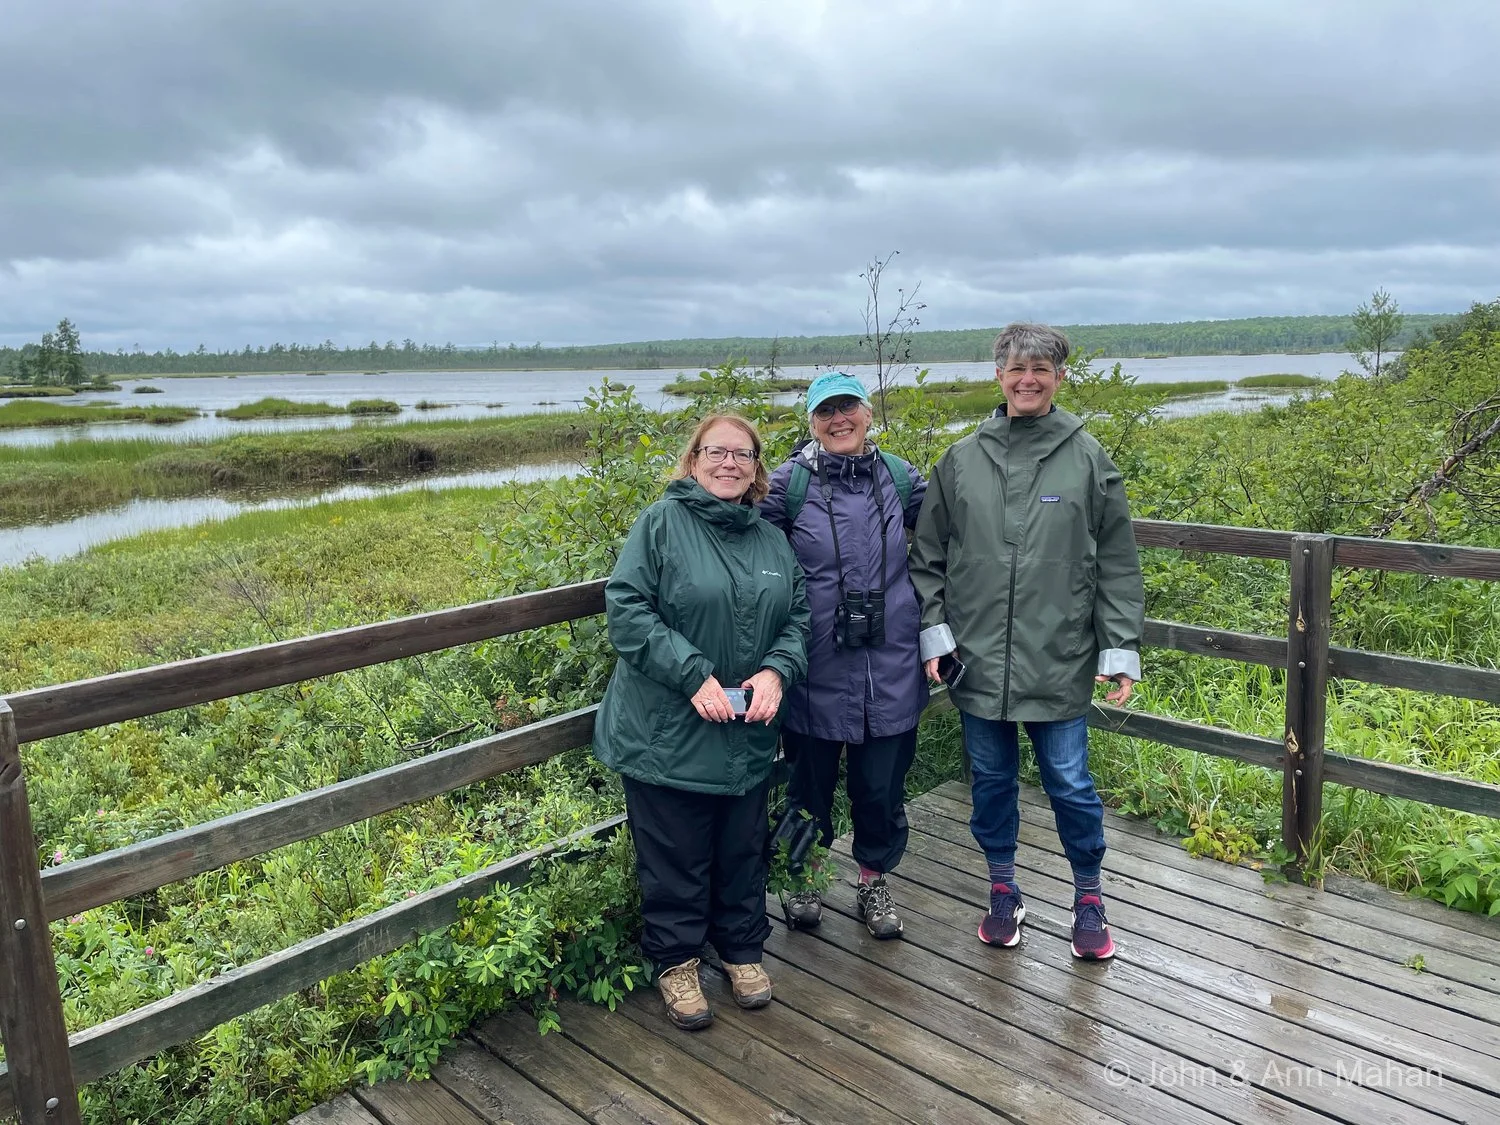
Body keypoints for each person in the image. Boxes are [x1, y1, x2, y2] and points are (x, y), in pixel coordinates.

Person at [909, 323, 1144, 961]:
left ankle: (1089, 895)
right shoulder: (961, 460)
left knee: (1069, 782)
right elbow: (927, 559)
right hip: (977, 661)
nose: (1028, 379)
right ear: (999, 377)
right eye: (1016, 368)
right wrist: (936, 636)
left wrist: (1118, 647)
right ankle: (1002, 888)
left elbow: (1118, 561)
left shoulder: (1088, 457)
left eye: (1041, 368)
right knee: (990, 782)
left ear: (1060, 377)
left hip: (1060, 658)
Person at [593, 413, 810, 1030]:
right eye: (716, 452)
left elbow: (799, 617)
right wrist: (693, 674)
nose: (729, 464)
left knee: (742, 849)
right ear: (693, 461)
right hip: (669, 732)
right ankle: (678, 963)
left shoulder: (771, 540)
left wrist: (776, 671)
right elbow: (627, 611)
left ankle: (742, 952)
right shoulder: (661, 523)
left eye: (743, 455)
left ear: (756, 469)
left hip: (746, 732)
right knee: (675, 855)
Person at [760, 372, 927, 939]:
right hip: (814, 667)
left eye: (847, 407)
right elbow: (738, 543)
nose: (839, 419)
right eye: (825, 411)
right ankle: (803, 875)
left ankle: (873, 879)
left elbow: (959, 532)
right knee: (807, 787)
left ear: (868, 412)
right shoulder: (788, 485)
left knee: (881, 788)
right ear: (811, 421)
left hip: (892, 664)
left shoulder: (901, 478)